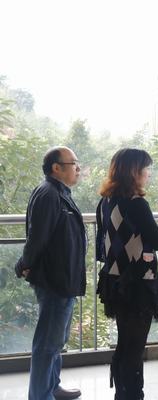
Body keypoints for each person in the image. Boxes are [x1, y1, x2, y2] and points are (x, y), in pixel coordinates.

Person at [96, 148, 158, 399]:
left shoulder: (105, 202)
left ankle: (122, 393)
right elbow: (156, 240)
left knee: (125, 342)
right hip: (138, 281)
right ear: (133, 171)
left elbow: (103, 243)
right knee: (135, 346)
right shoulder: (137, 203)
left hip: (114, 279)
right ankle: (133, 394)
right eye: (145, 169)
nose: (148, 174)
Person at [14, 146, 86, 400]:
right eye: (74, 163)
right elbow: (37, 237)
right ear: (57, 168)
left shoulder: (60, 193)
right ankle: (40, 395)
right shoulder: (48, 194)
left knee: (56, 340)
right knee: (47, 343)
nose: (78, 168)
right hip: (55, 279)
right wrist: (24, 263)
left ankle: (52, 387)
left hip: (64, 278)